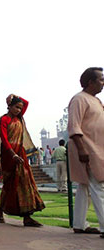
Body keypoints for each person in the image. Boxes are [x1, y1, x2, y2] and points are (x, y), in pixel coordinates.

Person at [0, 94, 45, 227]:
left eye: (20, 108)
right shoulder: (4, 120)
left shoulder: (19, 118)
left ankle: (27, 217)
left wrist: (14, 96)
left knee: (24, 183)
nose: (18, 110)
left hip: (20, 154)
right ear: (10, 106)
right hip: (7, 155)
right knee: (8, 185)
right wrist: (12, 154)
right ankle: (0, 213)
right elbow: (4, 139)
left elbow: (26, 103)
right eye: (16, 107)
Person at [68, 67, 104, 237]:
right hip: (87, 149)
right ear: (90, 82)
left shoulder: (95, 101)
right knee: (99, 186)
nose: (103, 83)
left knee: (85, 187)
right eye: (101, 79)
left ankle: (79, 224)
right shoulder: (79, 99)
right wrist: (82, 149)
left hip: (97, 148)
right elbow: (74, 126)